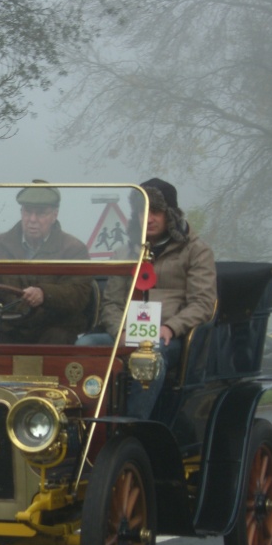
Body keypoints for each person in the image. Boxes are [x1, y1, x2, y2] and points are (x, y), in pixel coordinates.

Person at [83, 178, 217, 418]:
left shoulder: (197, 251)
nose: (149, 218)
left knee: (149, 355)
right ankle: (83, 423)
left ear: (171, 215)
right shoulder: (125, 253)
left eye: (156, 212)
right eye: (143, 211)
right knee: (84, 346)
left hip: (169, 339)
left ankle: (134, 426)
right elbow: (111, 303)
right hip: (126, 333)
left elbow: (203, 303)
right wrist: (119, 332)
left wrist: (171, 327)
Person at [0, 181, 92, 344]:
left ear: (54, 215)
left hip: (50, 329)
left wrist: (44, 294)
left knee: (59, 338)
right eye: (27, 211)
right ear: (21, 212)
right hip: (6, 328)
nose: (32, 219)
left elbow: (79, 295)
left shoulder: (73, 250)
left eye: (40, 213)